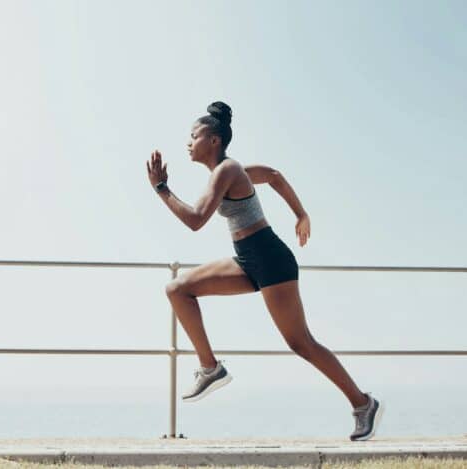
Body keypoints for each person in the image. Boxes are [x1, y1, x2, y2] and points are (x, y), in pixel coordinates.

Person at [145, 101, 384, 441]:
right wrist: (300, 214)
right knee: (177, 289)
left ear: (213, 140)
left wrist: (161, 189)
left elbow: (197, 220)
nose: (188, 142)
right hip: (246, 259)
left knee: (301, 343)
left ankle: (363, 404)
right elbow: (273, 176)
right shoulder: (230, 172)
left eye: (194, 135)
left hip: (270, 258)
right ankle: (210, 368)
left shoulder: (227, 171)